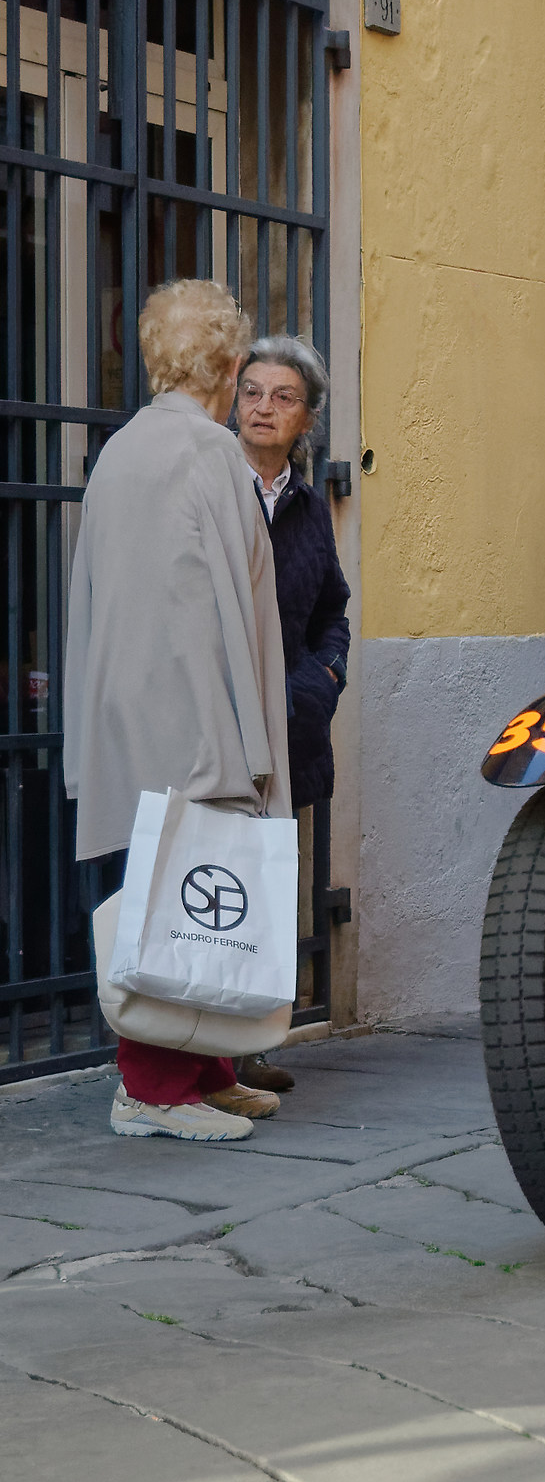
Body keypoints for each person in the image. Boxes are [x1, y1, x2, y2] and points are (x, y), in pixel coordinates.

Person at [64, 281, 291, 1141]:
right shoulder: (208, 452)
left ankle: (204, 1069)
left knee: (171, 880)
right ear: (231, 369)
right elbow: (233, 603)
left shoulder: (119, 451)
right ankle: (152, 1090)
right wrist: (248, 733)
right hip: (194, 702)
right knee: (193, 886)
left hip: (130, 696)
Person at [228, 335, 350, 1096]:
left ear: (308, 418)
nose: (263, 407)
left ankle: (244, 1048)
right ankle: (201, 1049)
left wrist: (323, 678)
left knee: (270, 882)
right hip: (222, 715)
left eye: (283, 397)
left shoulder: (304, 504)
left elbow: (332, 607)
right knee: (215, 878)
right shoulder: (214, 485)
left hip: (290, 720)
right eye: (252, 392)